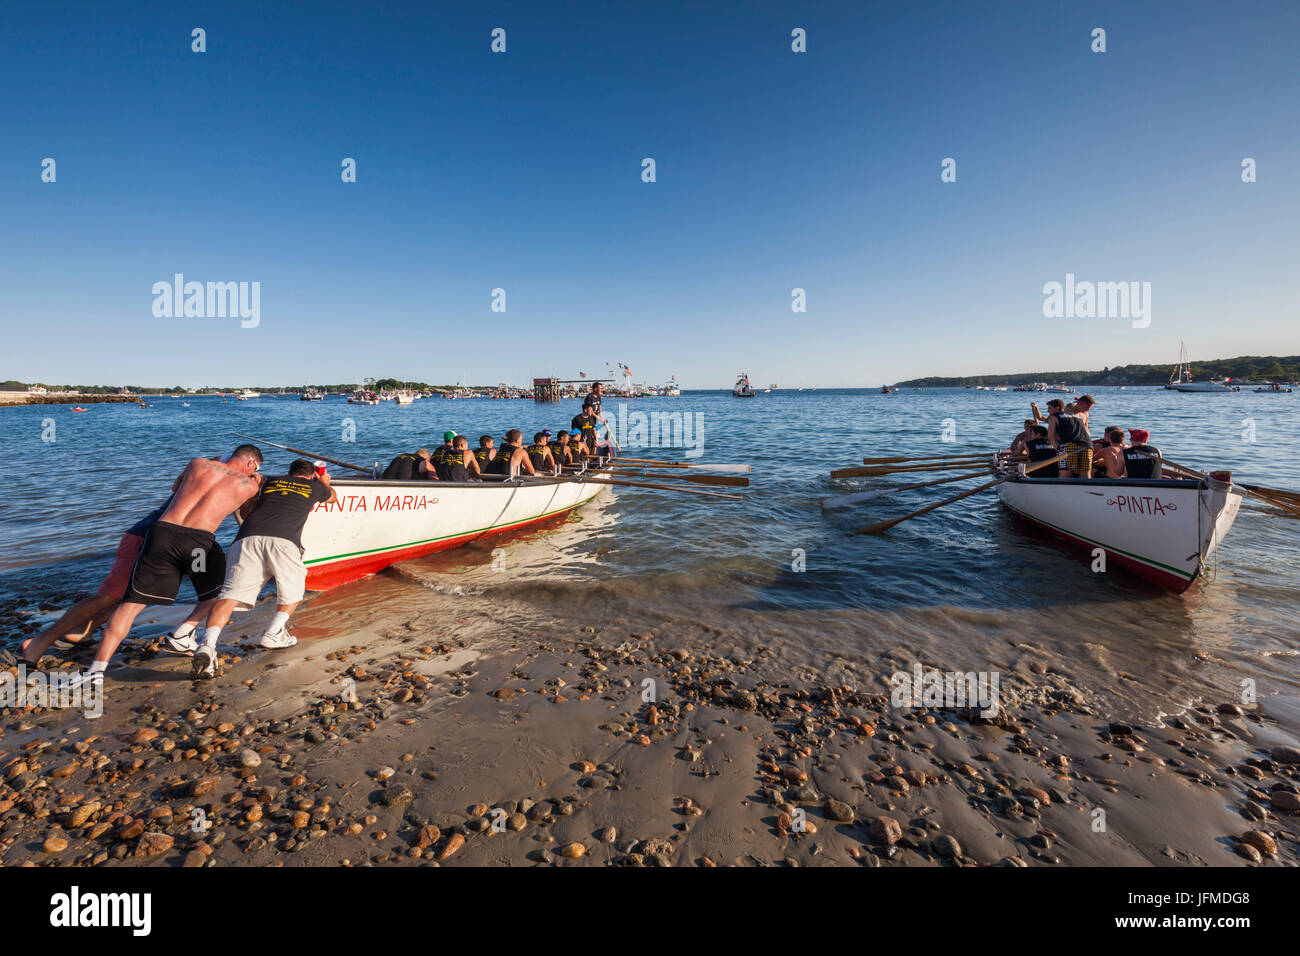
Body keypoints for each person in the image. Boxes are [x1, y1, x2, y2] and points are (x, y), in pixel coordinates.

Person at [85, 445, 265, 685]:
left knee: (131, 605)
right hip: (198, 544)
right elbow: (247, 509)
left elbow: (176, 488)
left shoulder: (197, 463)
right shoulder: (249, 484)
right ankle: (182, 633)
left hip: (163, 536)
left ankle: (96, 671)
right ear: (252, 463)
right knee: (215, 594)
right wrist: (257, 479)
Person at [186, 459, 336, 678]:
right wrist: (324, 482)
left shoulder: (270, 481)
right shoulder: (315, 485)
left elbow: (249, 500)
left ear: (289, 472)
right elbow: (332, 497)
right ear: (311, 475)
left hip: (246, 539)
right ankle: (274, 632)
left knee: (229, 594)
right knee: (294, 586)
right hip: (284, 541)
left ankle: (207, 645)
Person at [20, 500, 200, 665]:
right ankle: (38, 643)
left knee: (133, 598)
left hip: (165, 544)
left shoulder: (208, 469)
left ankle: (82, 630)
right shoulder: (208, 470)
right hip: (146, 540)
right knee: (109, 597)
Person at [1046, 395, 1095, 478]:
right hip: (1088, 445)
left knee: (1065, 475)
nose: (1087, 410)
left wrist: (1057, 449)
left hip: (1069, 445)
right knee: (1086, 475)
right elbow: (1088, 433)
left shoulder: (1053, 417)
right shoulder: (1082, 415)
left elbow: (1050, 437)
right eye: (1086, 408)